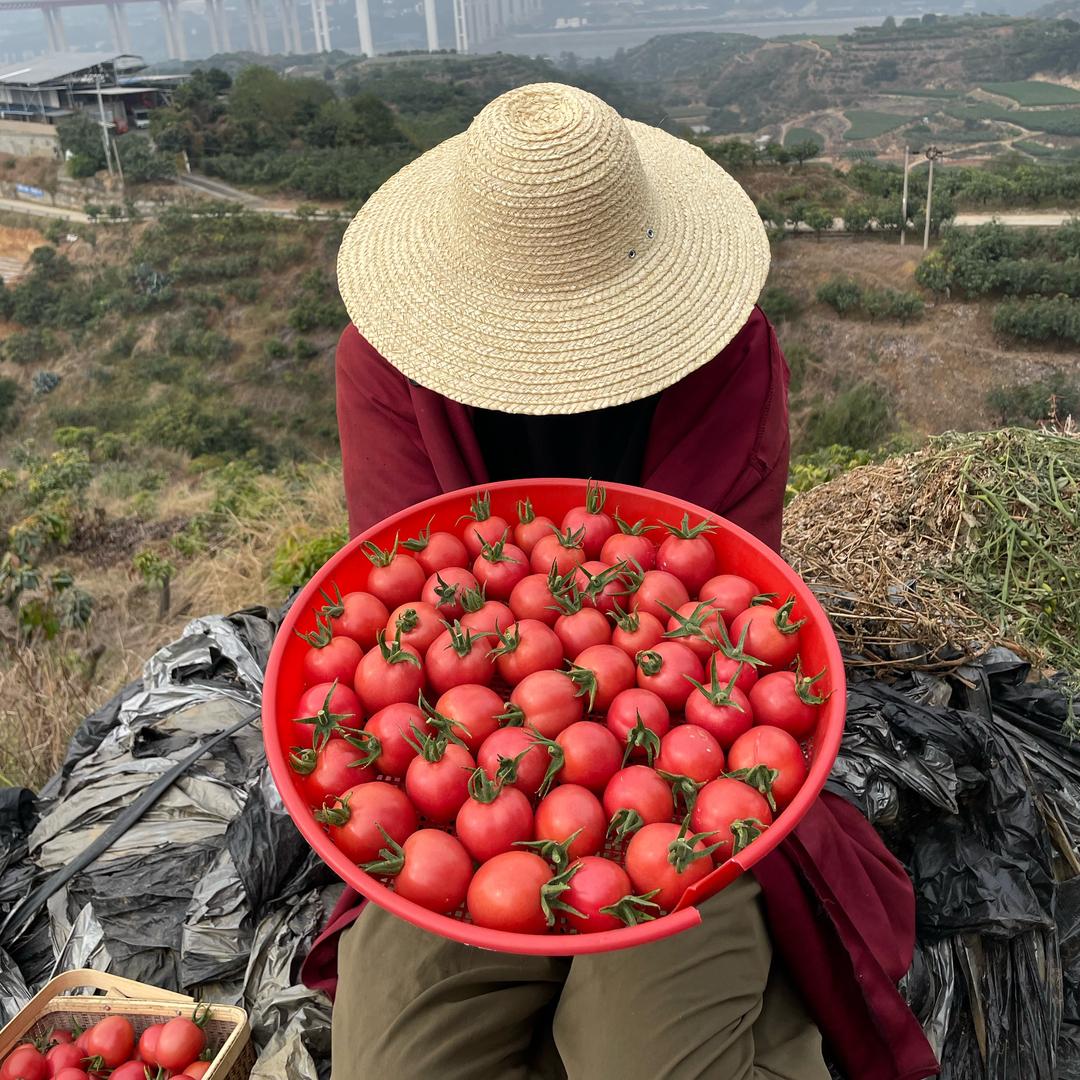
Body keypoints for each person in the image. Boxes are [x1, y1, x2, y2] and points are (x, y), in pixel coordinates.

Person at [301, 84, 940, 1080]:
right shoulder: (383, 370)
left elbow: (718, 633)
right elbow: (408, 618)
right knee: (395, 1066)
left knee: (640, 1060)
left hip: (682, 784)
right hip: (451, 802)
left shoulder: (729, 361)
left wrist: (598, 749)